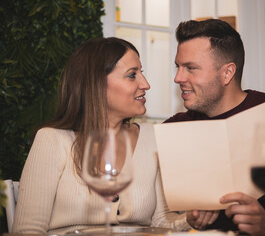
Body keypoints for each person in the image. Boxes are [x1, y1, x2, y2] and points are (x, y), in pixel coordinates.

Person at [12, 37, 193, 234]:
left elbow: (161, 222)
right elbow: (27, 231)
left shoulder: (152, 138)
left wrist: (192, 218)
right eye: (132, 75)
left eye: (142, 73)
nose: (146, 84)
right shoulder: (52, 140)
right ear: (97, 84)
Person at [165, 19, 265, 236]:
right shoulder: (177, 128)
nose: (178, 78)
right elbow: (160, 215)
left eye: (191, 68)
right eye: (178, 67)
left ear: (227, 73)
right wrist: (188, 219)